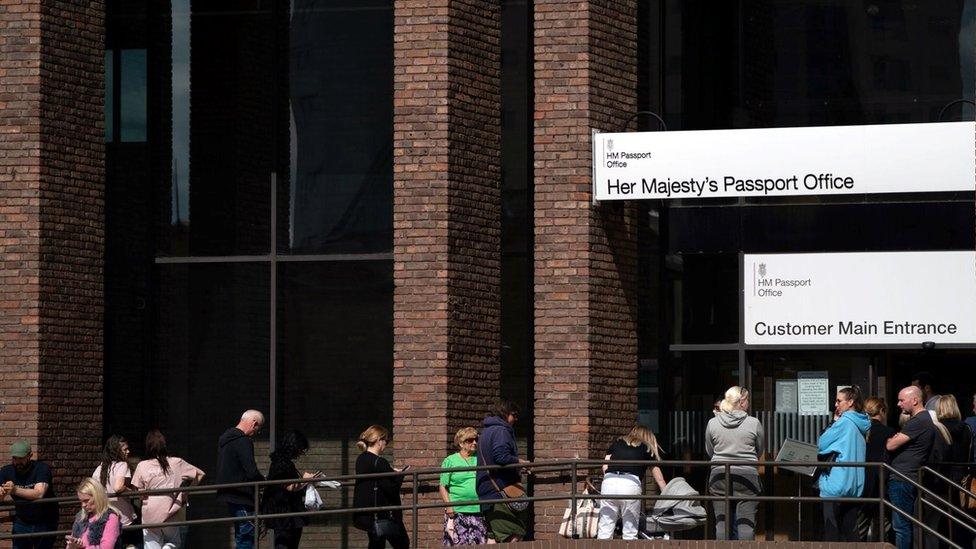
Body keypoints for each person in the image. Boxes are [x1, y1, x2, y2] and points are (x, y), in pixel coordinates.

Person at [705, 386, 763, 541]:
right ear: (742, 402)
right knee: (746, 524)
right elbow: (759, 449)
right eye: (748, 399)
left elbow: (710, 451)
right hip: (747, 474)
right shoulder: (754, 423)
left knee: (721, 523)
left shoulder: (712, 423)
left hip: (719, 475)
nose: (749, 403)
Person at [131, 430, 205, 549]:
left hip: (149, 515)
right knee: (174, 542)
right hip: (170, 513)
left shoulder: (142, 465)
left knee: (151, 545)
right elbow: (200, 474)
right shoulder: (176, 462)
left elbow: (139, 493)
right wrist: (185, 492)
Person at [596, 425, 667, 540]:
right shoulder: (647, 447)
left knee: (605, 528)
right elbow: (659, 479)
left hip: (609, 481)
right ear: (648, 437)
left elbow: (605, 466)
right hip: (630, 484)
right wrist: (668, 495)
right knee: (630, 531)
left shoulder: (618, 442)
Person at [818, 386, 870, 542]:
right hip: (854, 484)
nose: (836, 404)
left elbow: (822, 443)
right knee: (850, 528)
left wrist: (833, 423)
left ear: (850, 402)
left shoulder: (844, 422)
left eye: (839, 401)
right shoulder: (862, 422)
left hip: (836, 484)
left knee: (832, 530)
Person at [887, 386, 936, 549]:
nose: (898, 404)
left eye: (902, 400)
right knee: (904, 524)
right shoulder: (921, 420)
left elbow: (891, 445)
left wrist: (891, 440)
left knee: (901, 526)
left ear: (915, 400)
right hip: (907, 477)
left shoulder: (918, 420)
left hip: (903, 478)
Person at [475, 400, 530, 543]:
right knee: (515, 533)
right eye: (515, 415)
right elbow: (501, 457)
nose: (516, 419)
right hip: (498, 490)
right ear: (505, 414)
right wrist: (520, 462)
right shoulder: (501, 431)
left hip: (486, 490)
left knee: (493, 537)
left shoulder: (487, 431)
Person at [353, 425, 409, 549]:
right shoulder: (380, 462)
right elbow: (391, 488)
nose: (386, 444)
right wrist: (400, 476)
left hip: (369, 513)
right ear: (379, 441)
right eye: (386, 441)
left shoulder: (361, 459)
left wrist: (390, 471)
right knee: (403, 543)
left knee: (376, 543)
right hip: (383, 513)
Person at [260, 429, 318, 549]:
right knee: (285, 542)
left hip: (287, 511)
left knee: (288, 541)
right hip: (284, 512)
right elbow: (289, 487)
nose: (301, 453)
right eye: (301, 449)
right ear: (294, 447)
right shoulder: (281, 464)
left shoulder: (282, 462)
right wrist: (305, 479)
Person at [216, 409, 266, 549]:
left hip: (230, 495)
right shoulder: (243, 441)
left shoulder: (225, 440)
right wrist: (263, 481)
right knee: (246, 538)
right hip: (243, 496)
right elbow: (251, 471)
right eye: (258, 429)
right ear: (254, 423)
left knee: (241, 536)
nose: (256, 433)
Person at [0, 441, 59, 549]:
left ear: (30, 456)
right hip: (22, 521)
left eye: (21, 458)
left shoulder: (41, 468)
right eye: (15, 458)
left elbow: (39, 493)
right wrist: (1, 493)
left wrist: (14, 490)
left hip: (45, 520)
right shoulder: (6, 471)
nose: (18, 462)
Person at [438, 427, 490, 546]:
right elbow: (443, 486)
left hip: (478, 510)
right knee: (458, 544)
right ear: (461, 443)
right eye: (470, 440)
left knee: (480, 543)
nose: (475, 443)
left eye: (476, 439)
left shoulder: (480, 458)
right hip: (458, 511)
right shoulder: (450, 461)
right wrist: (449, 506)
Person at [935, 395, 974, 547]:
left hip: (942, 476)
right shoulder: (966, 428)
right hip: (962, 475)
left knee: (942, 515)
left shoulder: (937, 428)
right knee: (961, 515)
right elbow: (969, 453)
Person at [91, 435, 138, 548]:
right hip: (124, 518)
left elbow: (92, 489)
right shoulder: (122, 465)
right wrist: (131, 490)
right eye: (125, 449)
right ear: (117, 450)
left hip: (105, 519)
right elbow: (118, 487)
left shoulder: (100, 468)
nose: (128, 451)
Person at [858, 397, 895, 541]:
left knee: (860, 529)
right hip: (881, 485)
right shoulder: (888, 432)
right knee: (882, 530)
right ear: (882, 411)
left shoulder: (859, 430)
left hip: (862, 484)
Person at [65, 478, 122, 549]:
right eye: (81, 501)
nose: (83, 505)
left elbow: (106, 547)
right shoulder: (81, 517)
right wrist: (72, 546)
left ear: (97, 496)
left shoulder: (111, 517)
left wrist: (81, 547)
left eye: (86, 501)